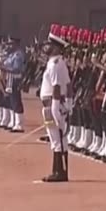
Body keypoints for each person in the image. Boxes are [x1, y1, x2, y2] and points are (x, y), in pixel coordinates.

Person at [41, 26, 74, 182]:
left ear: (56, 47)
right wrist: (68, 104)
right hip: (56, 104)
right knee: (59, 139)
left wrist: (56, 108)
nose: (47, 46)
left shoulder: (55, 64)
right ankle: (60, 171)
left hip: (52, 104)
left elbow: (56, 87)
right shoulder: (58, 62)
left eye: (50, 44)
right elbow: (68, 85)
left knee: (57, 139)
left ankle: (59, 172)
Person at [3, 36, 28, 132]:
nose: (9, 46)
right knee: (11, 101)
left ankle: (19, 124)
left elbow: (17, 68)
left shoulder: (18, 55)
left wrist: (5, 68)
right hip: (10, 79)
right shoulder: (12, 54)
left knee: (16, 100)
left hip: (15, 79)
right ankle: (14, 122)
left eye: (11, 44)